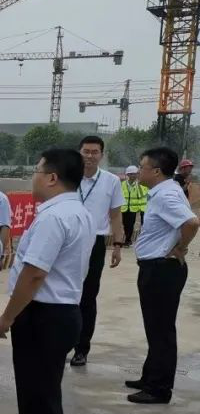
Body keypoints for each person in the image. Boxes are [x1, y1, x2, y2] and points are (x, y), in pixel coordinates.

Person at [0, 148, 95, 414]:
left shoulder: (55, 217)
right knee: (35, 400)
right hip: (57, 313)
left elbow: (35, 273)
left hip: (44, 316)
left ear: (52, 177)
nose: (33, 177)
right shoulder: (76, 211)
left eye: (37, 171)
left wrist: (7, 317)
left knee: (42, 403)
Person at [127, 147, 199, 404]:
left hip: (162, 269)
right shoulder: (164, 191)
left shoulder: (166, 195)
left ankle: (158, 389)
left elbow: (192, 222)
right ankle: (150, 377)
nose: (138, 171)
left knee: (161, 330)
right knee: (155, 327)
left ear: (156, 171)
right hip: (156, 268)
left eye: (142, 167)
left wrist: (180, 247)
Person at [71, 136, 126, 367]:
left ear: (101, 155)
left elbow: (115, 214)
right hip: (67, 241)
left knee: (87, 296)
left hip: (94, 242)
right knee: (63, 293)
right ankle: (61, 343)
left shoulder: (111, 181)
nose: (90, 156)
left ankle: (81, 349)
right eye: (86, 151)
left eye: (95, 152)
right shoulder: (68, 176)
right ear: (79, 152)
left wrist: (118, 244)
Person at [121, 165, 148, 247]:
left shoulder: (140, 185)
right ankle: (127, 239)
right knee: (126, 224)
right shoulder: (122, 184)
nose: (133, 175)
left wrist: (142, 208)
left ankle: (128, 240)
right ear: (127, 175)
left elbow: (144, 196)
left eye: (135, 174)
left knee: (132, 224)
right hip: (124, 208)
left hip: (135, 208)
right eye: (131, 174)